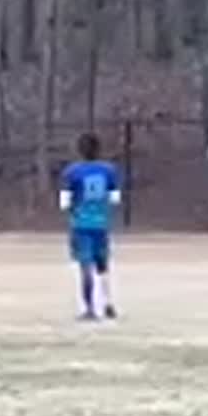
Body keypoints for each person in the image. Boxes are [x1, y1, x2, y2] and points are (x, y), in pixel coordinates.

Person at [60, 133, 123, 321]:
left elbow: (64, 202)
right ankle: (108, 303)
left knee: (85, 266)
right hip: (101, 224)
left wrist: (75, 210)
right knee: (102, 265)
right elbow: (115, 199)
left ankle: (89, 308)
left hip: (80, 224)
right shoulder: (109, 170)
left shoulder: (72, 172)